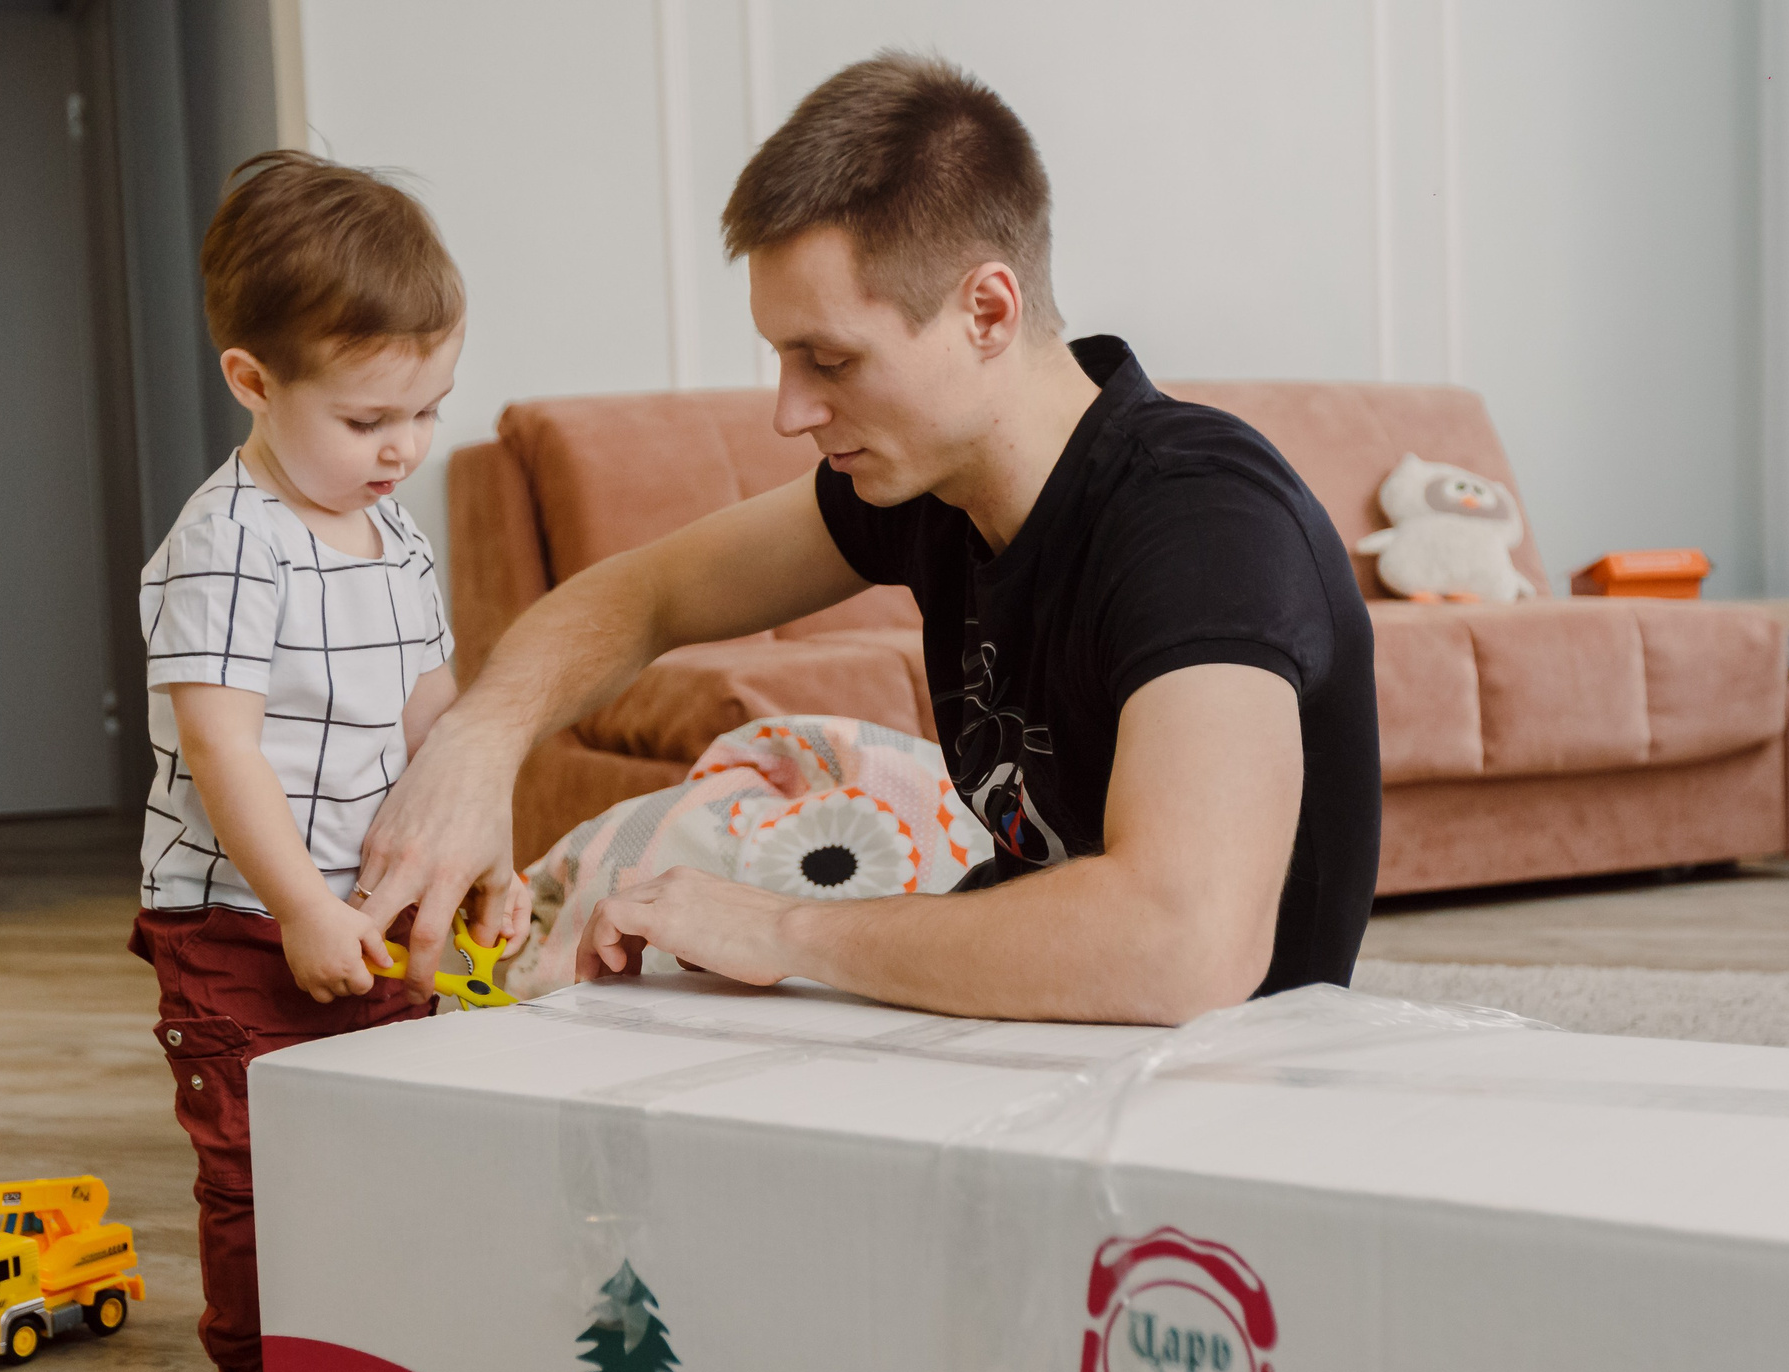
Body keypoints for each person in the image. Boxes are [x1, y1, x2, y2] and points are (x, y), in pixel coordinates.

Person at [357, 53, 1379, 1026]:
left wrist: (787, 929)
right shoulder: (920, 485)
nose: (789, 412)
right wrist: (478, 748)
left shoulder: (1200, 517)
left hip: (1210, 1101)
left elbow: (1185, 941)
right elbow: (641, 596)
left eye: (830, 361)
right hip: (1037, 1037)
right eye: (781, 359)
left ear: (986, 309)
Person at [127, 152, 521, 1372]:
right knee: (257, 1158)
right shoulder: (231, 538)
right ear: (252, 380)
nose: (404, 446)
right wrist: (297, 901)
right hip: (242, 916)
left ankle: (379, 1331)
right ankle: (261, 1371)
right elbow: (221, 744)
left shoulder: (393, 531)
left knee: (382, 1134)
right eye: (368, 419)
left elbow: (434, 720)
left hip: (368, 903)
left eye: (428, 408)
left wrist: (481, 856)